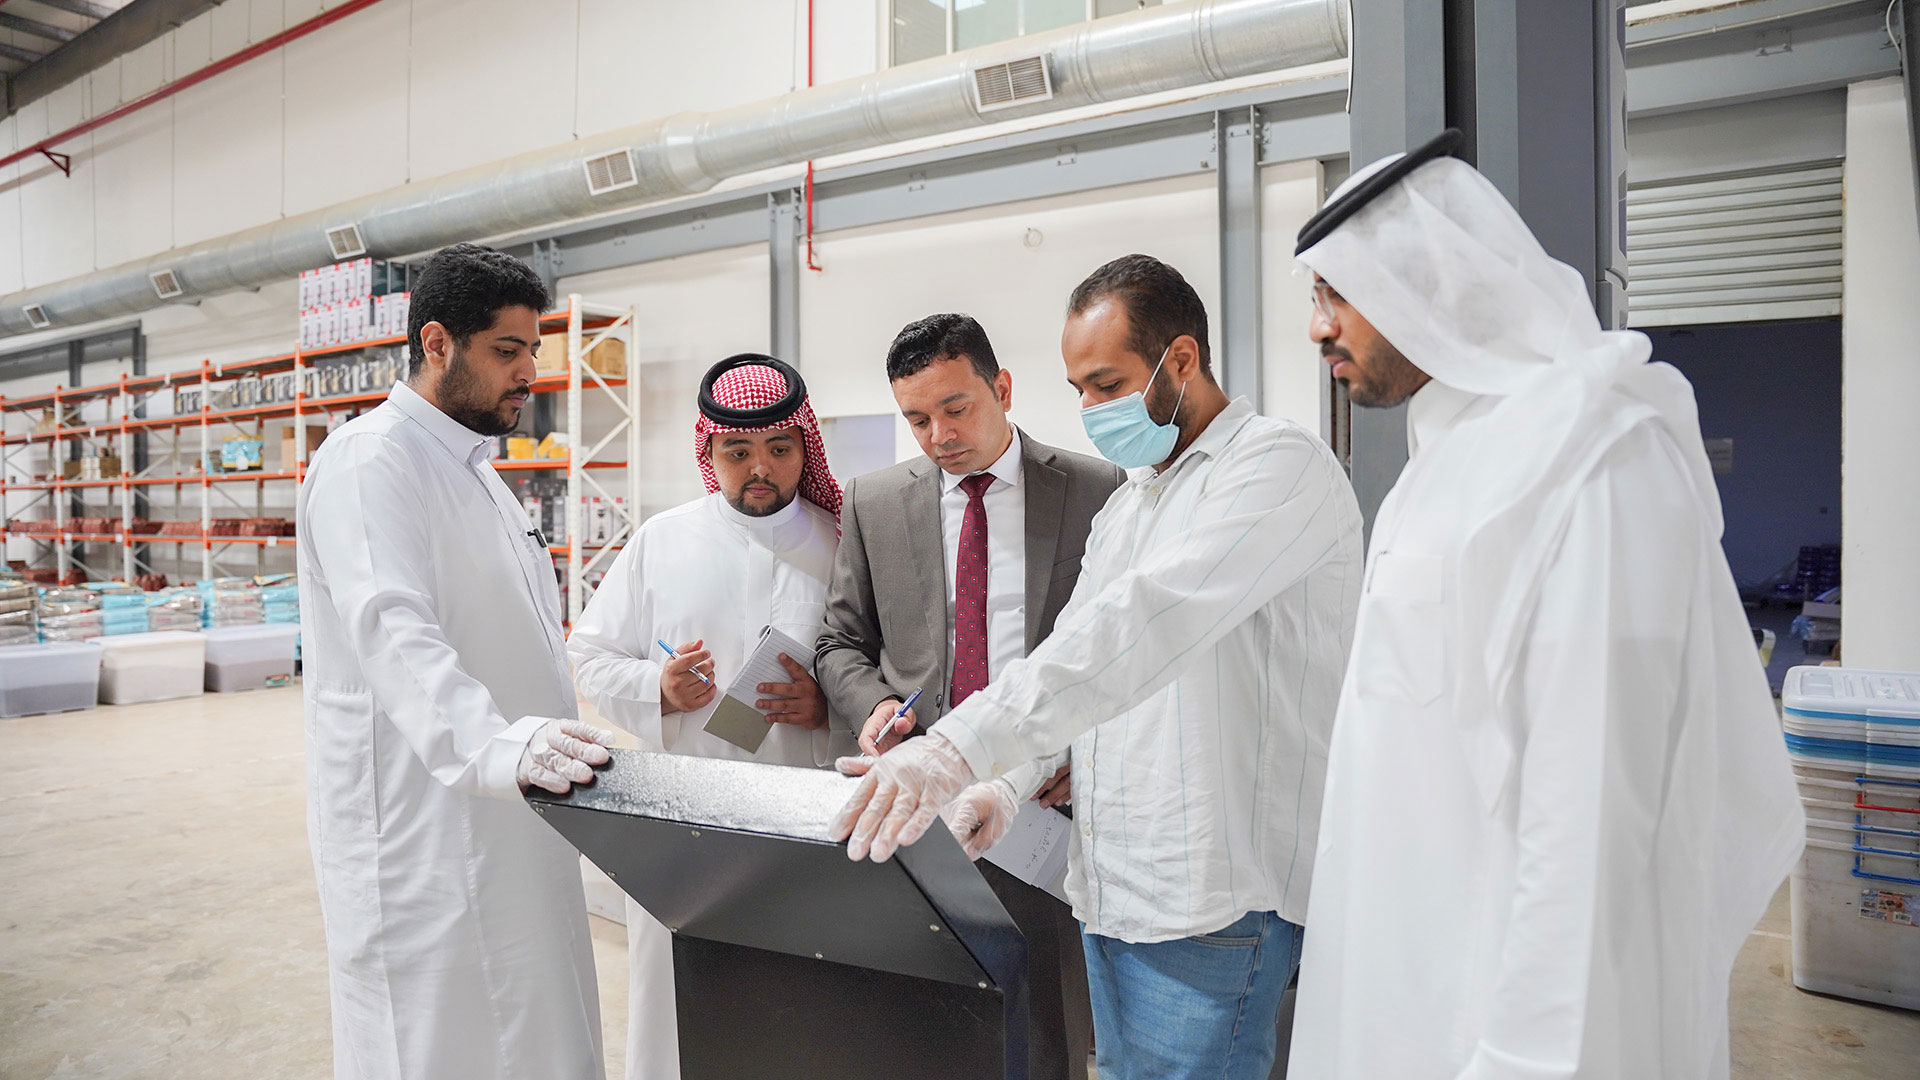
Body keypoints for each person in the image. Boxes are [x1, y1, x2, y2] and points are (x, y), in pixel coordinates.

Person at [1285, 130, 1805, 1080]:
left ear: (1421, 281)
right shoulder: (1443, 466)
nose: (1319, 329)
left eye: (1337, 294)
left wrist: (1525, 1056)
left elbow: (1592, 807)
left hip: (1520, 1020)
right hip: (1410, 973)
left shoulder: (1593, 457)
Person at [832, 257, 1366, 1080]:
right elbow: (1076, 655)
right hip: (1114, 890)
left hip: (1213, 898)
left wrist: (955, 750)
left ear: (1180, 359)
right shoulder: (1131, 505)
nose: (1089, 409)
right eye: (1079, 388)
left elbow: (1142, 628)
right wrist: (1004, 790)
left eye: (1108, 384)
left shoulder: (1273, 468)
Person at [298, 242, 614, 1080]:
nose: (529, 372)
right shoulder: (371, 460)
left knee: (533, 1020)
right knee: (435, 1041)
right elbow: (390, 627)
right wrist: (498, 746)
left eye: (533, 350)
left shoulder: (477, 471)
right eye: (507, 351)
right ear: (437, 343)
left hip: (515, 809)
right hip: (424, 828)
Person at [815, 313, 1120, 1080]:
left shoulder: (1096, 490)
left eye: (956, 408)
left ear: (1002, 388)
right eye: (917, 419)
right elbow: (839, 642)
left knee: (1045, 1027)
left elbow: (1122, 652)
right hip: (917, 810)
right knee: (920, 1025)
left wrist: (1083, 752)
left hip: (1045, 811)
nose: (939, 435)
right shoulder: (875, 502)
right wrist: (874, 706)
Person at [568, 353, 854, 1080]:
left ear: (804, 448)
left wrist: (829, 708)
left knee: (802, 996)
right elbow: (591, 655)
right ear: (709, 452)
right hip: (685, 812)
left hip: (807, 815)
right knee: (678, 997)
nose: (760, 468)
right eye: (737, 451)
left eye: (779, 449)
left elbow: (886, 677)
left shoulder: (844, 544)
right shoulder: (661, 541)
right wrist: (657, 688)